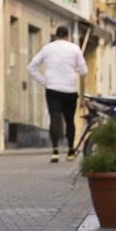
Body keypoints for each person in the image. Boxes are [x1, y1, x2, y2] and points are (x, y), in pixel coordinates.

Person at [27, 25, 88, 162]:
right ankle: (70, 151)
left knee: (54, 118)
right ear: (67, 35)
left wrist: (44, 81)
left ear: (56, 35)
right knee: (69, 121)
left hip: (52, 90)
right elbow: (84, 71)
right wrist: (75, 68)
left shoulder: (47, 48)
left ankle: (55, 151)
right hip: (70, 91)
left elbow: (31, 67)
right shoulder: (75, 49)